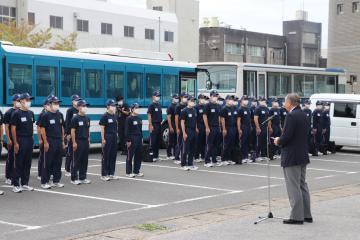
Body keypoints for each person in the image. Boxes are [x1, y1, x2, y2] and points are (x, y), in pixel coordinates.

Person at [274, 93, 312, 225]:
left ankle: (296, 217)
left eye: (285, 101)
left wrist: (278, 140)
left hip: (292, 156)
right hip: (302, 154)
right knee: (302, 185)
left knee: (293, 186)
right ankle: (306, 214)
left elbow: (287, 136)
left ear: (290, 103)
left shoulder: (291, 115)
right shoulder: (304, 114)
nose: (284, 104)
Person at [10, 93, 35, 193]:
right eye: (27, 100)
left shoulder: (30, 113)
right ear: (21, 101)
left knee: (27, 162)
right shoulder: (16, 113)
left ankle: (25, 183)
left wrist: (32, 139)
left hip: (29, 139)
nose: (29, 101)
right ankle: (15, 184)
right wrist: (15, 143)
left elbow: (31, 127)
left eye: (29, 100)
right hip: (20, 139)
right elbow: (13, 128)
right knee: (18, 162)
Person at [39, 96, 65, 189]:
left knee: (58, 162)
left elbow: (62, 128)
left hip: (58, 140)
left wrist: (62, 141)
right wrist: (45, 142)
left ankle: (56, 181)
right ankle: (44, 181)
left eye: (58, 103)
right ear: (49, 104)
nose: (57, 105)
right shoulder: (45, 115)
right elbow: (42, 129)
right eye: (55, 103)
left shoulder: (60, 115)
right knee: (47, 162)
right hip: (50, 140)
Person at [70, 99, 91, 185]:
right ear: (79, 107)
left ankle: (82, 177)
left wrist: (89, 139)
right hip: (78, 141)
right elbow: (72, 131)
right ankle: (74, 178)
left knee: (84, 160)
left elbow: (88, 129)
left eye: (86, 106)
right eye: (83, 106)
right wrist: (74, 142)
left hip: (85, 141)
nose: (85, 107)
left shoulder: (87, 118)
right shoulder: (75, 118)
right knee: (77, 160)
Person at [99, 100, 119, 181]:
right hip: (107, 137)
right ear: (108, 106)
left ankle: (111, 173)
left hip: (114, 137)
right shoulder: (105, 116)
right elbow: (102, 128)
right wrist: (103, 138)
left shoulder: (114, 116)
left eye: (114, 106)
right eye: (112, 105)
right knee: (106, 156)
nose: (114, 107)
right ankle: (104, 174)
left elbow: (116, 127)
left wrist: (117, 135)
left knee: (113, 155)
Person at [4, 93, 21, 186]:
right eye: (17, 101)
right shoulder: (9, 112)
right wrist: (8, 139)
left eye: (20, 101)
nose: (19, 102)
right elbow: (6, 127)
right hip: (12, 138)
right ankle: (8, 177)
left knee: (19, 158)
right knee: (10, 158)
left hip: (20, 138)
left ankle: (16, 176)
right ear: (13, 102)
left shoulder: (22, 112)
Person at [203, 90, 222, 167]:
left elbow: (219, 117)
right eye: (214, 96)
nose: (215, 97)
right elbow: (204, 116)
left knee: (216, 145)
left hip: (217, 127)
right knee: (209, 145)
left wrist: (220, 127)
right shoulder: (207, 105)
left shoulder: (218, 106)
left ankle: (214, 160)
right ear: (210, 97)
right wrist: (207, 127)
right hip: (210, 127)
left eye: (216, 96)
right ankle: (207, 161)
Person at [125, 103, 144, 178]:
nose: (138, 109)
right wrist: (128, 140)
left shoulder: (139, 118)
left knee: (138, 155)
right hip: (132, 138)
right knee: (130, 155)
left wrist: (142, 138)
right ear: (132, 109)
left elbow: (140, 129)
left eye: (138, 108)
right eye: (136, 108)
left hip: (139, 138)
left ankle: (136, 171)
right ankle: (128, 172)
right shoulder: (129, 118)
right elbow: (127, 131)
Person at [180, 96, 199, 171]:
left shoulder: (194, 110)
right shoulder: (184, 111)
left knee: (192, 148)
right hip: (187, 130)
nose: (193, 102)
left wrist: (196, 128)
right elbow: (182, 122)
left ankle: (190, 163)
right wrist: (184, 133)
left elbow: (195, 120)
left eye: (194, 101)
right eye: (191, 101)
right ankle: (183, 164)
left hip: (194, 130)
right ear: (188, 101)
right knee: (186, 148)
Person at [64, 95, 81, 177]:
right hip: (71, 133)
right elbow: (67, 122)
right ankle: (67, 169)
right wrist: (68, 133)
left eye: (78, 100)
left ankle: (75, 168)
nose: (77, 101)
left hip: (78, 134)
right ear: (72, 101)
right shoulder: (70, 111)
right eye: (76, 100)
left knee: (77, 153)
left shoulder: (80, 110)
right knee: (70, 152)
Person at [220, 95, 237, 166]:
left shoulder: (233, 108)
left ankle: (229, 158)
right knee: (226, 144)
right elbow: (222, 119)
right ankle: (224, 159)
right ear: (226, 100)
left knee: (232, 143)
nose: (231, 101)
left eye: (232, 99)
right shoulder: (224, 109)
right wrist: (224, 129)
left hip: (233, 127)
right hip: (227, 127)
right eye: (230, 99)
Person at [36, 98, 51, 181]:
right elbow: (39, 127)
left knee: (49, 157)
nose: (50, 106)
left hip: (49, 138)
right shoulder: (42, 114)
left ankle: (48, 173)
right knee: (42, 156)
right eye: (48, 104)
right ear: (45, 106)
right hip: (43, 137)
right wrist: (40, 139)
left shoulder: (50, 114)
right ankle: (40, 173)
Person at [147, 91, 163, 162]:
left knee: (157, 141)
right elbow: (149, 115)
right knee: (153, 141)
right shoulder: (151, 105)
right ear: (153, 97)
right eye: (157, 96)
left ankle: (156, 156)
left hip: (159, 124)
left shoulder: (159, 105)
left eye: (158, 96)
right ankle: (152, 156)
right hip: (154, 124)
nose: (158, 97)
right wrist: (150, 125)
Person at [174, 92, 189, 164]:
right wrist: (177, 128)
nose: (186, 99)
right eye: (184, 97)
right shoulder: (178, 106)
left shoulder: (186, 106)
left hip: (186, 127)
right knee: (179, 142)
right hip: (180, 127)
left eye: (186, 97)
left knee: (185, 143)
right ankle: (176, 157)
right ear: (181, 98)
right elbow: (176, 118)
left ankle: (183, 157)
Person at [254, 96, 269, 161]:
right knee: (259, 141)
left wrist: (268, 126)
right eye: (262, 100)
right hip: (260, 126)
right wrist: (257, 127)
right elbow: (255, 119)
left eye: (264, 100)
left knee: (264, 141)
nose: (263, 101)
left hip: (265, 127)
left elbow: (268, 118)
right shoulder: (258, 109)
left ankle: (263, 154)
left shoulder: (266, 108)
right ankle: (257, 155)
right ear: (259, 101)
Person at [238, 95, 251, 163]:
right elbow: (238, 120)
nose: (246, 101)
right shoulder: (240, 109)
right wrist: (239, 129)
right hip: (243, 127)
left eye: (247, 99)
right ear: (241, 100)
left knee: (247, 142)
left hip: (248, 126)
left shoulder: (248, 109)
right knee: (242, 142)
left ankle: (246, 156)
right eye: (244, 99)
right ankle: (242, 156)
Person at [194, 94, 207, 163]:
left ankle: (203, 156)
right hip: (199, 125)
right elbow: (195, 118)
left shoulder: (205, 106)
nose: (203, 100)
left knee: (204, 142)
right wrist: (196, 127)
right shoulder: (196, 107)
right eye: (202, 98)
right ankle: (196, 156)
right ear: (199, 99)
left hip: (204, 125)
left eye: (204, 98)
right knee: (197, 142)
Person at [166, 94, 179, 160]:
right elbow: (168, 118)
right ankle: (169, 154)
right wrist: (170, 127)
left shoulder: (177, 106)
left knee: (175, 141)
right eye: (175, 98)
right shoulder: (170, 107)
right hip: (172, 124)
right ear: (172, 98)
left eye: (177, 98)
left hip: (176, 124)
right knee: (171, 140)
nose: (176, 99)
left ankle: (175, 153)